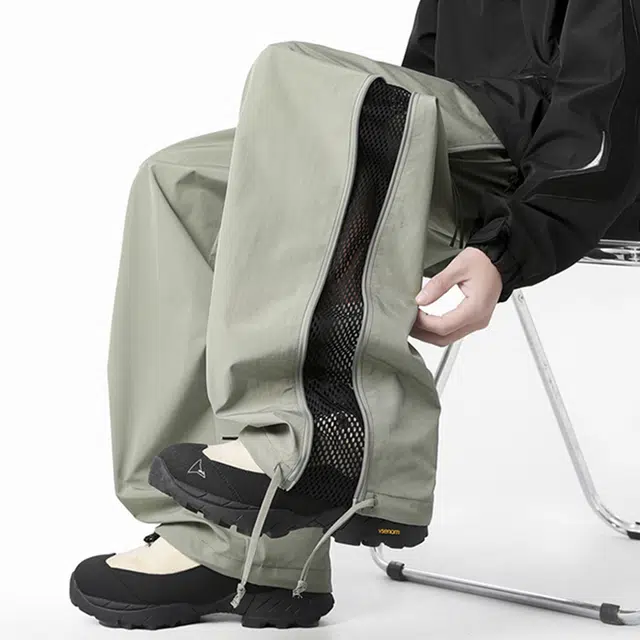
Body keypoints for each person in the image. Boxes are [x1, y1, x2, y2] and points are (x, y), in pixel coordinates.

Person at [70, 0, 640, 631]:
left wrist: (511, 248)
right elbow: (426, 74)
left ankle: (328, 447)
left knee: (297, 74)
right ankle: (230, 549)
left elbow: (617, 104)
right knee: (182, 181)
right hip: (466, 149)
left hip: (570, 166)